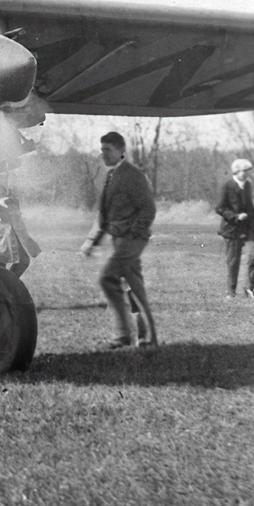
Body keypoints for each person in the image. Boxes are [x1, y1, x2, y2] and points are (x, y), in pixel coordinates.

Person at [80, 131, 158, 348]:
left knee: (107, 278)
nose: (103, 154)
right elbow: (105, 215)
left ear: (121, 151)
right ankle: (144, 337)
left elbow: (148, 209)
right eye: (102, 149)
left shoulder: (132, 175)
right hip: (119, 240)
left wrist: (133, 234)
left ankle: (127, 334)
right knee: (134, 287)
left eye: (108, 149)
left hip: (130, 240)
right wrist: (93, 242)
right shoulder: (112, 175)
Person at [215, 157, 254, 299]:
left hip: (249, 228)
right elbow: (219, 208)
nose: (246, 174)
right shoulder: (227, 186)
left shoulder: (248, 186)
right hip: (232, 229)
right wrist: (235, 216)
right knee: (233, 261)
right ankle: (231, 291)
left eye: (247, 171)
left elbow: (250, 207)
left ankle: (250, 289)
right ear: (236, 171)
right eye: (244, 171)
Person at [0, 195, 40, 277]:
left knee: (23, 261)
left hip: (13, 223)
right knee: (0, 264)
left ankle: (8, 284)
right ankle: (3, 286)